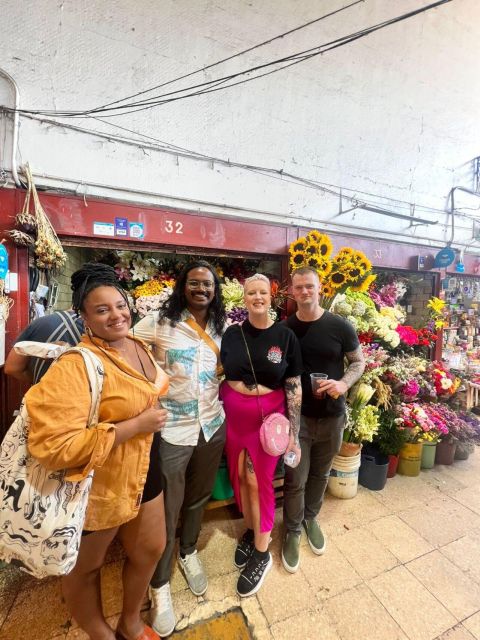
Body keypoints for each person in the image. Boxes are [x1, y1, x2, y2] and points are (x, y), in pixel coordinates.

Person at [25, 263, 169, 640]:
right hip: (97, 483)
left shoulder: (137, 345)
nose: (116, 315)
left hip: (145, 468)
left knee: (152, 547)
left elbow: (146, 387)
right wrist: (133, 426)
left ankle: (131, 622)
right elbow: (52, 445)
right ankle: (99, 632)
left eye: (120, 305)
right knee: (85, 567)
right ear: (84, 317)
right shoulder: (77, 364)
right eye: (102, 310)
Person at [133, 260, 226, 638]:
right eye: (194, 283)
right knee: (166, 508)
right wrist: (149, 385)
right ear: (182, 286)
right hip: (172, 428)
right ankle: (160, 585)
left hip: (212, 426)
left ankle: (188, 552)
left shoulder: (223, 327)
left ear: (215, 290)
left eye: (208, 284)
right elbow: (128, 346)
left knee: (198, 497)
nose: (201, 289)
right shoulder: (159, 322)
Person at [220, 273, 302, 597]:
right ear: (244, 298)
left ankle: (262, 552)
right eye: (250, 293)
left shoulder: (285, 337)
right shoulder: (231, 334)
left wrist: (294, 433)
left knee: (258, 481)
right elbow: (222, 375)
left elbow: (293, 386)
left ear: (272, 296)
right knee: (240, 477)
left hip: (268, 421)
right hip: (235, 421)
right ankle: (253, 531)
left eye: (262, 293)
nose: (257, 297)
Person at [281, 266, 365, 573]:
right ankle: (291, 531)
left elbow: (358, 362)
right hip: (298, 420)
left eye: (310, 287)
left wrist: (343, 383)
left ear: (320, 288)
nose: (304, 292)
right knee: (295, 478)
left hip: (332, 417)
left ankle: (310, 518)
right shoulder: (287, 329)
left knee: (320, 474)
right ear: (292, 291)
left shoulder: (339, 326)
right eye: (299, 287)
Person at [4, 309, 84, 384]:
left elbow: (12, 368)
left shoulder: (40, 323)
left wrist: (40, 381)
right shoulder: (93, 328)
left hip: (43, 395)